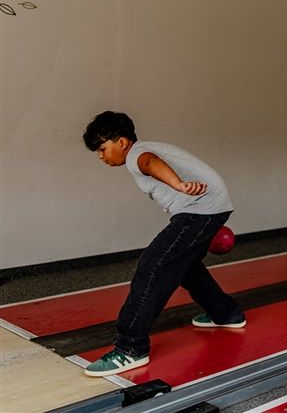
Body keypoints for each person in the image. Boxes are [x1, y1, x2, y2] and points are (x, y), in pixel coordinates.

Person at [81, 111, 245, 377]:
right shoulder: (145, 148)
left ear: (122, 142)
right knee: (186, 266)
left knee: (153, 265)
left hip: (199, 209)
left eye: (102, 149)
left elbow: (150, 164)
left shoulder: (137, 154)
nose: (101, 156)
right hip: (212, 206)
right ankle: (226, 313)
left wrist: (177, 184)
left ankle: (129, 348)